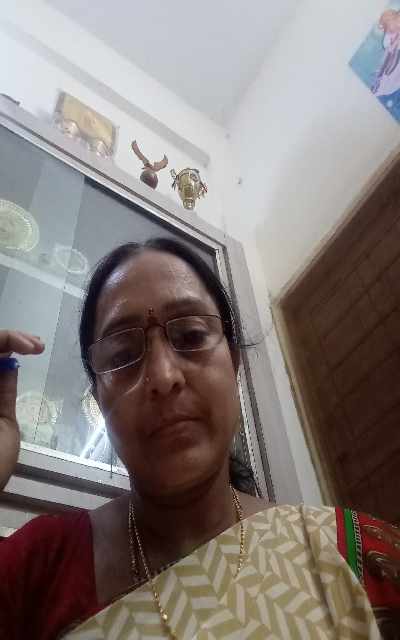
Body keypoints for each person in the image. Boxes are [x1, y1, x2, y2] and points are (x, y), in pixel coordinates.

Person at [0, 238, 399, 640]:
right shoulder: (37, 568)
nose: (163, 376)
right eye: (122, 355)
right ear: (99, 400)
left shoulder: (357, 557)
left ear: (234, 363)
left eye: (191, 336)